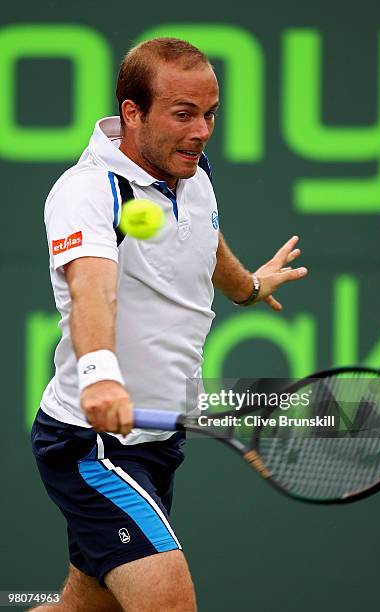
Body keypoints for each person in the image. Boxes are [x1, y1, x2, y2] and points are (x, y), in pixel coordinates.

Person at [30, 38, 308, 612]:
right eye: (184, 114)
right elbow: (91, 288)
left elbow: (203, 237)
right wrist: (101, 374)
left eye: (210, 114)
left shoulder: (191, 172)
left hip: (158, 443)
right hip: (92, 444)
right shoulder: (86, 192)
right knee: (169, 601)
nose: (202, 130)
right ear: (132, 113)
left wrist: (248, 287)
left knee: (81, 609)